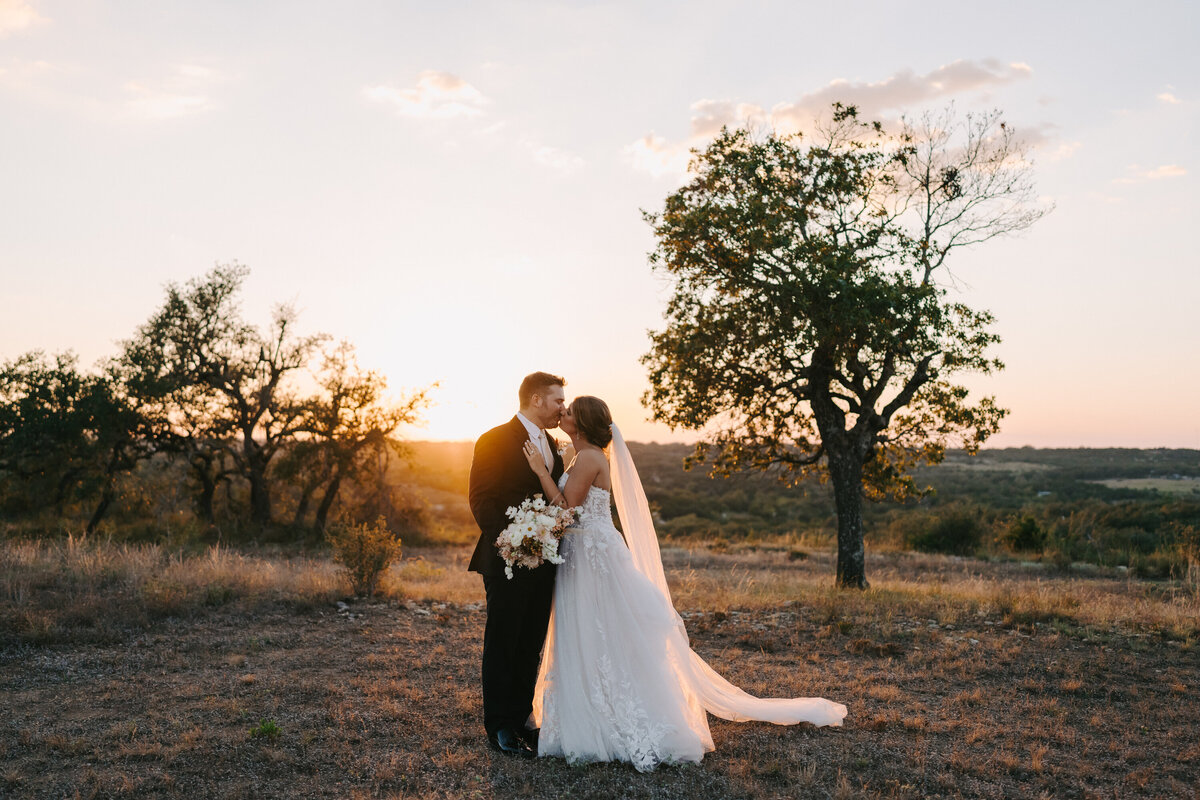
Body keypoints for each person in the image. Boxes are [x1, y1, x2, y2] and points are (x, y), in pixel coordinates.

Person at [521, 395, 847, 771]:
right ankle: (589, 715)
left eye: (570, 410)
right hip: (583, 554)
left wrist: (540, 472)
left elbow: (565, 509)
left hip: (594, 558)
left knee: (602, 632)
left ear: (585, 422)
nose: (564, 412)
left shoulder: (592, 457)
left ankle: (614, 722)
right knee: (591, 633)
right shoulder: (579, 454)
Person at [467, 371, 567, 757]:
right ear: (537, 399)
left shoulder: (553, 444)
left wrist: (543, 542)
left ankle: (522, 719)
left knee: (530, 644)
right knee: (504, 641)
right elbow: (482, 499)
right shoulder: (494, 439)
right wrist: (513, 541)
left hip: (546, 561)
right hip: (507, 558)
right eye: (557, 400)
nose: (563, 407)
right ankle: (499, 727)